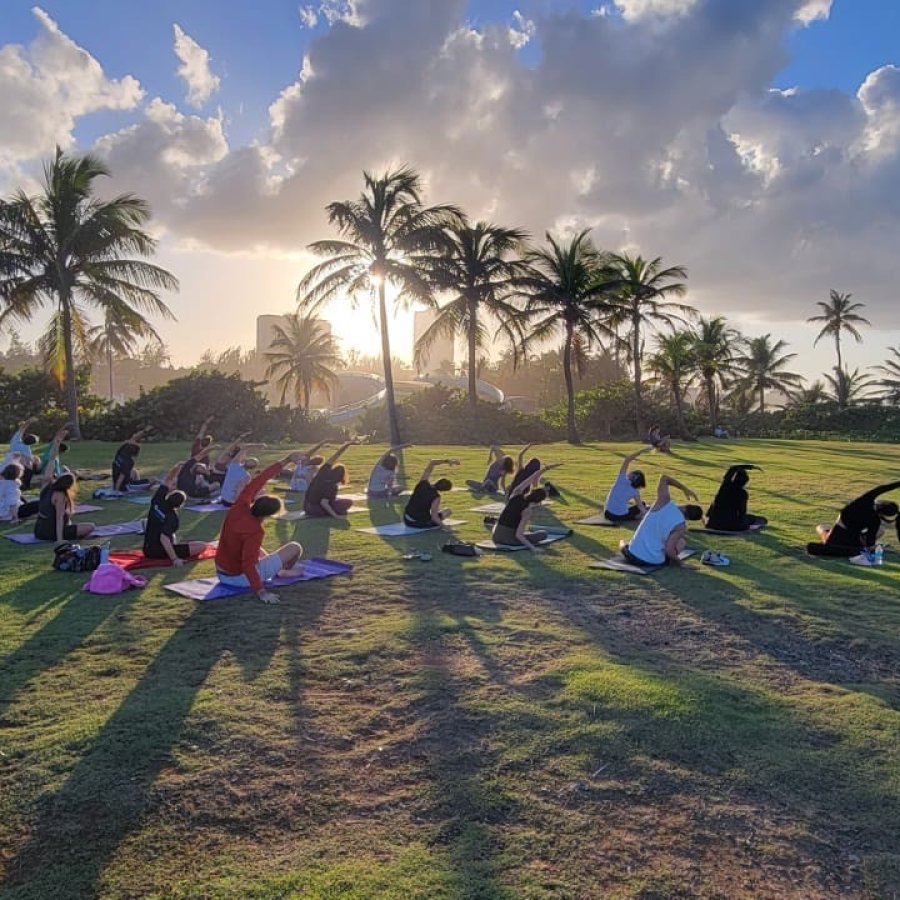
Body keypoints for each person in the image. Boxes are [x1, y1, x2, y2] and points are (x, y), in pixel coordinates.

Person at [215, 452, 307, 604]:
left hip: (222, 572)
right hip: (238, 578)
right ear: (270, 514)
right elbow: (248, 565)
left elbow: (260, 479)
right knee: (294, 547)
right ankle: (284, 571)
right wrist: (261, 592)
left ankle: (278, 569)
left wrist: (287, 460)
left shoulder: (238, 507)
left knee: (259, 551)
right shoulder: (255, 531)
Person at [622, 474, 702, 567]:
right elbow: (669, 551)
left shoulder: (663, 501)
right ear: (688, 518)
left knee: (625, 545)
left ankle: (624, 545)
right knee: (681, 542)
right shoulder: (681, 527)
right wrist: (681, 563)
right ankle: (624, 545)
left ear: (686, 506)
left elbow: (664, 477)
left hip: (632, 554)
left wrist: (684, 488)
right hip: (651, 562)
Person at [807, 481, 900, 559]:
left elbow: (882, 488)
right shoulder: (875, 521)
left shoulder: (864, 501)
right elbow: (869, 543)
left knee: (822, 527)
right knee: (881, 530)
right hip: (853, 545)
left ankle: (827, 538)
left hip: (833, 539)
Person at [143, 463, 213, 564]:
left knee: (190, 542)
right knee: (202, 546)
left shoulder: (158, 500)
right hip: (157, 551)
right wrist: (175, 559)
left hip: (147, 547)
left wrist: (177, 468)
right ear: (180, 505)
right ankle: (173, 553)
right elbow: (164, 538)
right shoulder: (172, 517)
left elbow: (168, 480)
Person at [492, 463, 555, 551]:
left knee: (525, 532)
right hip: (508, 540)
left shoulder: (516, 494)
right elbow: (519, 535)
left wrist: (545, 468)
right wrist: (533, 548)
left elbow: (530, 478)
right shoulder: (527, 511)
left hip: (495, 536)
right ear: (538, 502)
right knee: (543, 534)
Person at [34, 460, 96, 543]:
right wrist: (60, 539)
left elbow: (50, 464)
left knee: (71, 523)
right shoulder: (60, 495)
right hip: (50, 533)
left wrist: (54, 456)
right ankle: (62, 536)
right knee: (90, 527)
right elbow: (59, 518)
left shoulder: (47, 486)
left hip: (39, 531)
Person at [303, 441, 358, 518]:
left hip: (306, 507)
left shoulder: (322, 472)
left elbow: (335, 456)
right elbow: (324, 503)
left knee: (337, 503)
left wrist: (346, 445)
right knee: (348, 502)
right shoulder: (332, 486)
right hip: (316, 510)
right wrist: (336, 516)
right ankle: (332, 512)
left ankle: (333, 511)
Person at [705, 464, 767, 532]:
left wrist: (749, 467)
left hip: (713, 523)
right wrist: (744, 526)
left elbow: (732, 469)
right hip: (731, 526)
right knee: (757, 519)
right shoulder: (742, 493)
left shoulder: (724, 487)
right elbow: (742, 512)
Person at [403, 458, 460, 529]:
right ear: (443, 490)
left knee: (435, 510)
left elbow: (432, 462)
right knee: (448, 511)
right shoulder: (436, 497)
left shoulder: (423, 483)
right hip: (417, 523)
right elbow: (434, 518)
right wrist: (444, 526)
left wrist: (447, 461)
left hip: (406, 518)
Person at [603, 447, 652, 522]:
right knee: (642, 504)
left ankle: (645, 510)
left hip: (608, 514)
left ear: (632, 475)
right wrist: (650, 518)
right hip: (620, 516)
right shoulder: (635, 491)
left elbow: (627, 459)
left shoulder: (621, 479)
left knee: (642, 505)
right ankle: (639, 515)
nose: (629, 472)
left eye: (632, 472)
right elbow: (641, 507)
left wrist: (642, 451)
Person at [4, 417, 41, 489]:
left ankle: (27, 482)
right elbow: (23, 428)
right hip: (15, 465)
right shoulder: (25, 447)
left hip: (16, 464)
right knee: (30, 464)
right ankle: (27, 483)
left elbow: (22, 428)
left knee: (31, 461)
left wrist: (29, 421)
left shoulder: (15, 440)